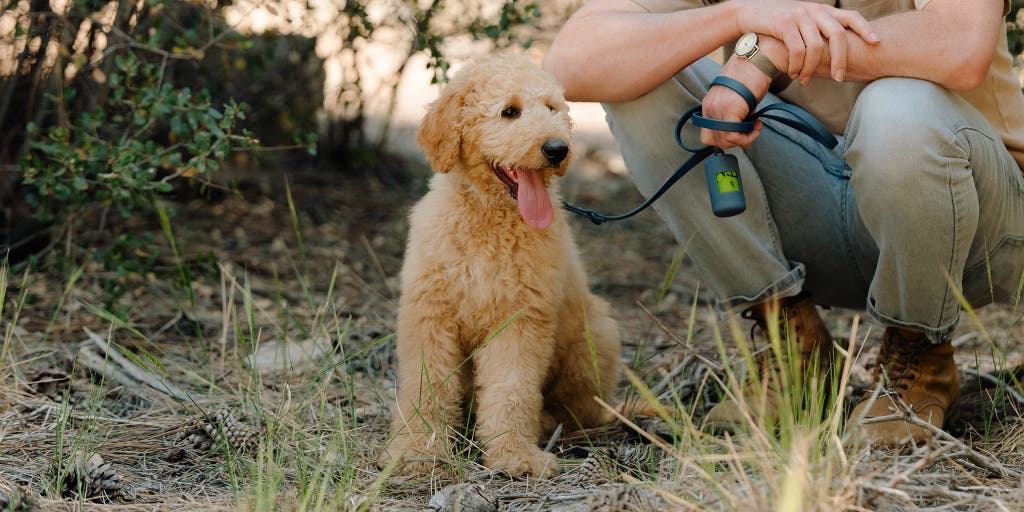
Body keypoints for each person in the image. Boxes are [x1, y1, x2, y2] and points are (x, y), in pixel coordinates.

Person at [544, 0, 1024, 446]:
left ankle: (920, 356)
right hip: (824, 208)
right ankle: (793, 351)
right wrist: (739, 15)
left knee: (898, 104)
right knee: (639, 74)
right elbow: (572, 64)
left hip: (975, 229)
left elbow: (960, 43)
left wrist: (766, 52)